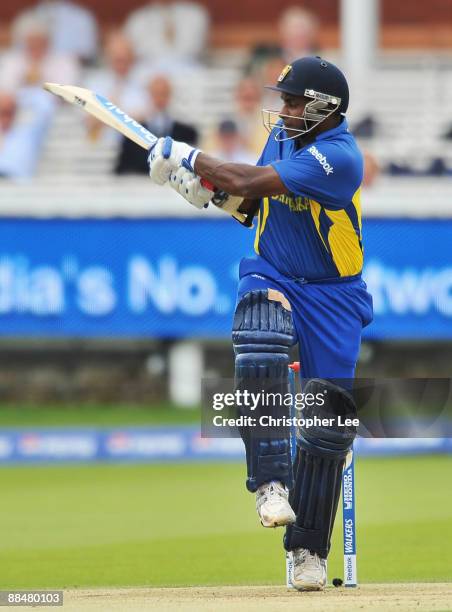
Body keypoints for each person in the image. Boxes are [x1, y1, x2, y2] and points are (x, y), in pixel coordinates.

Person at [147, 56, 373, 591]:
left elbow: (253, 179)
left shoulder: (339, 157)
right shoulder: (285, 137)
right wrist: (198, 187)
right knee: (259, 333)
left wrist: (190, 155)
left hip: (334, 295)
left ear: (324, 108)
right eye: (286, 99)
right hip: (273, 269)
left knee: (327, 428)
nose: (285, 109)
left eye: (295, 102)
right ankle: (271, 483)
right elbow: (252, 200)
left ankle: (308, 552)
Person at [114, 75, 197, 175]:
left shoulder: (187, 132)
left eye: (164, 94)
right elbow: (122, 169)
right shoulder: (133, 134)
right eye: (156, 94)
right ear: (149, 95)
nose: (160, 98)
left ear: (170, 95)